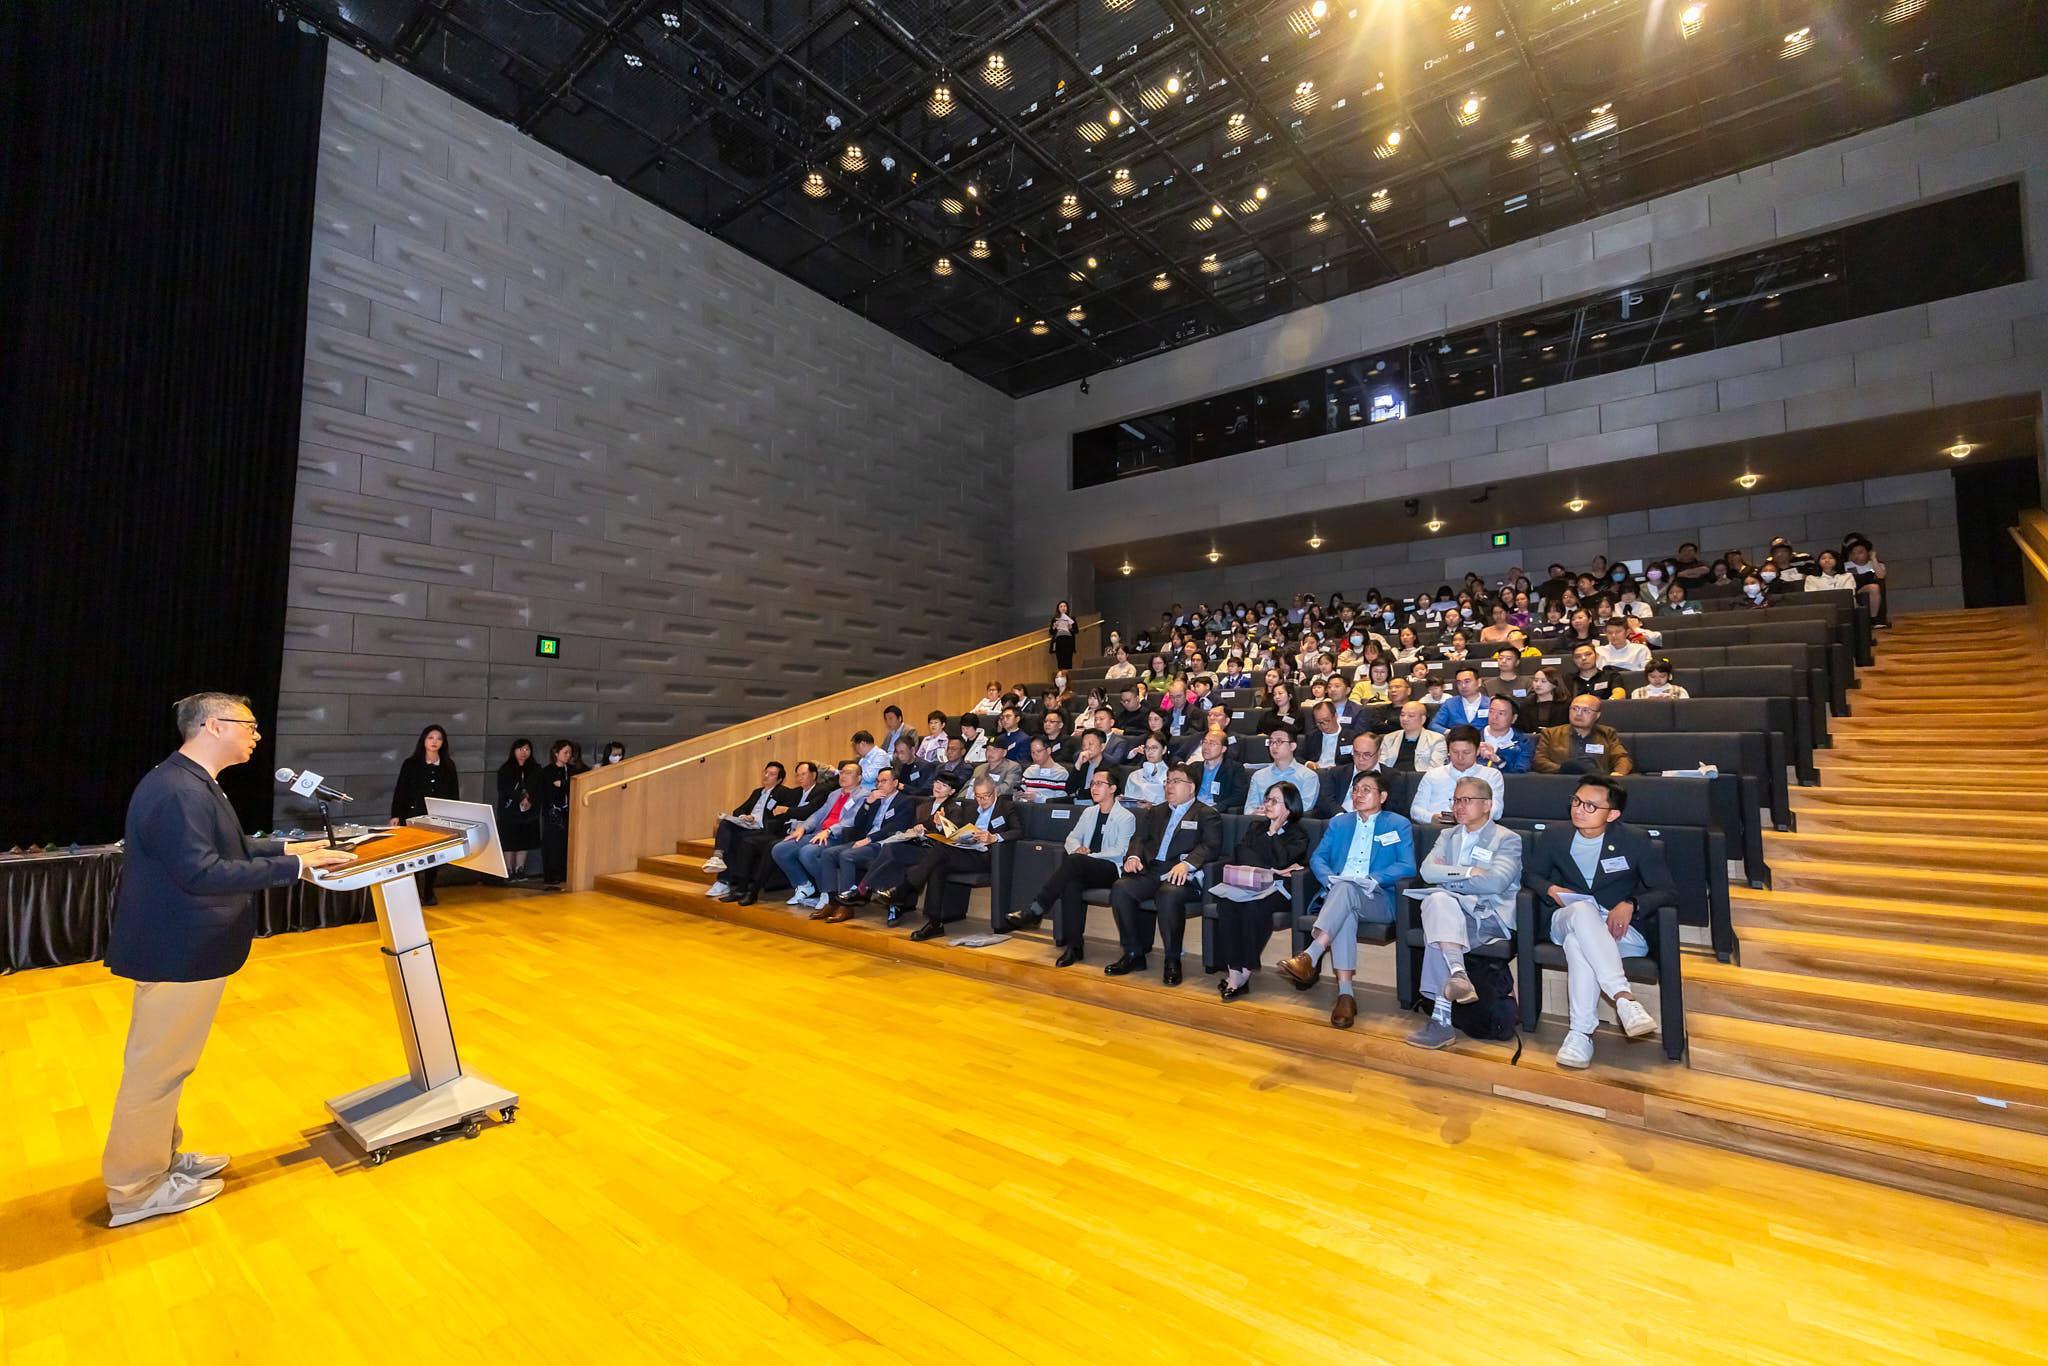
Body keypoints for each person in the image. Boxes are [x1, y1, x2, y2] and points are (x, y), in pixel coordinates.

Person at [102, 693, 354, 1227]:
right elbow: (202, 872)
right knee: (155, 1073)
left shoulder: (193, 781)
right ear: (213, 726)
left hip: (184, 948)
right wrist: (296, 870)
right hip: (177, 950)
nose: (257, 736)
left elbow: (229, 848)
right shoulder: (178, 790)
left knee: (169, 1068)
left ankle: (161, 1160)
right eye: (249, 725)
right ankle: (135, 1189)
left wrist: (293, 851)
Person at [1523, 775, 1675, 1067]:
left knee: (1577, 945)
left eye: (1590, 806)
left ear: (1613, 814)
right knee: (1582, 911)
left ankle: (1581, 1034)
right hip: (1567, 916)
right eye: (1576, 801)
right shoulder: (1555, 834)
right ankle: (1623, 996)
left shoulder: (1634, 840)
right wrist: (1551, 889)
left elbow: (1667, 890)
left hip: (1619, 929)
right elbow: (1531, 875)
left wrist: (1631, 904)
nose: (1579, 809)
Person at [1274, 770, 1417, 1027]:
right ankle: (1345, 996)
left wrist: (1374, 878)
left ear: (1383, 796)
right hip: (1339, 894)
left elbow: (1407, 866)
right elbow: (1318, 858)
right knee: (1345, 904)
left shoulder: (1397, 824)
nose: (1358, 794)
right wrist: (1330, 879)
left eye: (1366, 790)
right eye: (1355, 789)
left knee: (1346, 890)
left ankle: (1312, 953)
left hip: (1378, 897)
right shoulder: (1339, 824)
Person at [1406, 776, 1524, 1050]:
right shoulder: (1447, 836)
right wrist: (1469, 872)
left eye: (1467, 800)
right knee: (1438, 902)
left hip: (1487, 915)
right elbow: (1427, 872)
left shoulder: (1507, 839)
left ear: (1487, 805)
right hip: (1451, 913)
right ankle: (1458, 974)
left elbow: (1495, 882)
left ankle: (1441, 1019)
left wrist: (1449, 880)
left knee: (1438, 912)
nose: (1458, 806)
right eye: (1456, 800)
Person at [1105, 765, 1223, 985]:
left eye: (1176, 781)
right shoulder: (1156, 812)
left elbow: (1210, 846)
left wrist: (1187, 865)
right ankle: (1133, 953)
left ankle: (1172, 960)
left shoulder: (1206, 814)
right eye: (1168, 781)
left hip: (1182, 876)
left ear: (1191, 787)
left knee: (1169, 893)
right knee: (1121, 888)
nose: (1169, 786)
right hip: (1152, 871)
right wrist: (1134, 857)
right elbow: (1139, 839)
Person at [1004, 768, 1135, 965]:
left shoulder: (1126, 817)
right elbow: (1072, 838)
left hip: (1110, 869)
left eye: (1099, 784)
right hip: (1084, 866)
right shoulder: (1089, 812)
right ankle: (1074, 946)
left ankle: (1036, 909)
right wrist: (1077, 850)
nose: (1094, 788)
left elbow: (1120, 851)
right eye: (1092, 783)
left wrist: (1087, 855)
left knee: (1074, 862)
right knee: (1071, 883)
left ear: (1113, 788)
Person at [1211, 785, 1310, 1001]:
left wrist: (1274, 832)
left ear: (1289, 807)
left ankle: (1244, 972)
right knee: (1226, 904)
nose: (1268, 804)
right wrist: (1272, 869)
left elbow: (1284, 859)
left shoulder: (1298, 834)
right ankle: (1234, 972)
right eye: (1267, 799)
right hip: (1250, 885)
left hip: (1279, 890)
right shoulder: (1256, 826)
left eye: (1275, 801)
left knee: (1254, 907)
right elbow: (1242, 854)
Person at [895, 776, 1015, 941]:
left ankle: (906, 887)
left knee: (940, 850)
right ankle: (935, 923)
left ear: (995, 792)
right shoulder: (972, 808)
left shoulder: (1006, 807)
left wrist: (995, 837)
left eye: (986, 796)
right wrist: (941, 824)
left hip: (987, 857)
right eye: (978, 796)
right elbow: (958, 831)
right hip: (966, 852)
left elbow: (1018, 831)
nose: (982, 801)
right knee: (937, 866)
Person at [717, 761, 828, 904]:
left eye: (803, 774)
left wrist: (787, 810)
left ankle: (753, 891)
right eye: (797, 775)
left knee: (771, 846)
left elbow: (807, 812)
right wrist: (781, 813)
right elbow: (779, 813)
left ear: (814, 775)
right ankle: (740, 888)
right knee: (748, 842)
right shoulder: (796, 792)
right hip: (784, 831)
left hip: (805, 833)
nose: (800, 778)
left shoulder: (821, 791)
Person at [814, 768, 918, 919]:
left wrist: (869, 839)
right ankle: (832, 901)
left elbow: (896, 827)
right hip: (865, 840)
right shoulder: (875, 799)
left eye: (884, 781)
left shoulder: (905, 801)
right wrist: (868, 803)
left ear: (895, 783)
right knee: (828, 854)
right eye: (878, 781)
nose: (879, 785)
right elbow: (858, 823)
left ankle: (846, 906)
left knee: (847, 855)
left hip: (882, 844)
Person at [767, 760, 864, 909]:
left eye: (848, 773)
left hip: (838, 836)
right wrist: (803, 828)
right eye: (842, 772)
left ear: (859, 778)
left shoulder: (863, 795)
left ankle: (827, 891)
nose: (843, 776)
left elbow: (852, 821)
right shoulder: (834, 794)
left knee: (808, 852)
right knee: (780, 849)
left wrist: (829, 831)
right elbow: (818, 814)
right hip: (819, 833)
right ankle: (804, 885)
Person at [391, 724, 461, 905]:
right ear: (423, 740)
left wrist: (454, 817)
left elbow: (454, 794)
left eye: (439, 739)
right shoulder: (411, 764)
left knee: (434, 855)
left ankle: (429, 892)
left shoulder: (448, 765)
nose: (434, 742)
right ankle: (412, 891)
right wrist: (396, 814)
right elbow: (401, 791)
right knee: (412, 854)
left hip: (438, 818)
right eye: (431, 738)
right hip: (413, 815)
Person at [702, 762, 790, 893]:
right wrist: (744, 816)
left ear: (779, 780)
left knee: (734, 838)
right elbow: (738, 810)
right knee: (725, 824)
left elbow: (782, 817)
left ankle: (724, 881)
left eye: (772, 774)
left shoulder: (783, 793)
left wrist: (758, 821)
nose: (766, 776)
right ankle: (717, 857)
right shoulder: (757, 792)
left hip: (763, 829)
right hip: (748, 825)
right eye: (765, 772)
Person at [1409, 725, 1505, 825]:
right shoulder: (1433, 775)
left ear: (1477, 751)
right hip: (1437, 827)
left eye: (1466, 752)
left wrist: (1469, 817)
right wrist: (1432, 818)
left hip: (1475, 828)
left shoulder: (1491, 775)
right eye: (1455, 752)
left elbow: (1496, 811)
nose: (1460, 757)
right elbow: (1415, 810)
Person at [1534, 694, 1635, 776]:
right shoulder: (1551, 733)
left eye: (1586, 710)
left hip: (1597, 785)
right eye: (1575, 708)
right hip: (1562, 782)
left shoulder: (1607, 733)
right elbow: (1539, 761)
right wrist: (1562, 769)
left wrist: (1619, 773)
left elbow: (1622, 757)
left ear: (1597, 715)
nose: (1578, 714)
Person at [539, 739, 586, 890]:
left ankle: (565, 873)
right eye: (565, 752)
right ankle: (552, 875)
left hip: (569, 812)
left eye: (570, 753)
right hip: (553, 813)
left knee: (567, 844)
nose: (568, 755)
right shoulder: (547, 771)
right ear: (556, 753)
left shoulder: (572, 770)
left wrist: (564, 784)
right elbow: (547, 792)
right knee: (552, 844)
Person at [1244, 726, 1321, 813]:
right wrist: (1255, 813)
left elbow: (1304, 808)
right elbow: (1249, 808)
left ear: (1292, 746)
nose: (1273, 746)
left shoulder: (1308, 776)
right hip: (1261, 820)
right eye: (1271, 742)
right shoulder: (1258, 776)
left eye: (1279, 741)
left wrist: (1272, 813)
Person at [495, 739, 542, 880]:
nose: (524, 752)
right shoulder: (506, 769)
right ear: (514, 751)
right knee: (509, 841)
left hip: (528, 812)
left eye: (527, 749)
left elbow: (538, 788)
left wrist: (529, 799)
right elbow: (503, 789)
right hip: (509, 812)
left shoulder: (535, 768)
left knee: (524, 840)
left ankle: (519, 869)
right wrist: (520, 797)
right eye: (520, 749)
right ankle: (508, 870)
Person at [1186, 729, 1250, 813]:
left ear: (1223, 749)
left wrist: (1219, 807)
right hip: (1192, 809)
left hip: (1216, 811)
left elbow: (1240, 795)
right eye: (1204, 742)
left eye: (1212, 743)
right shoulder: (1194, 767)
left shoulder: (1234, 768)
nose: (1206, 747)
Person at [1375, 701, 1447, 773]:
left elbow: (1436, 769)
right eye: (1402, 715)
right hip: (1391, 777)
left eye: (1411, 716)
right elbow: (1381, 765)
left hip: (1421, 778)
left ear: (1423, 719)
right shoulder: (1389, 738)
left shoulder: (1436, 739)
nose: (1405, 719)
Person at [1476, 696, 1533, 774]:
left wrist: (1498, 761)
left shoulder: (1523, 743)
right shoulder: (1472, 738)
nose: (1494, 717)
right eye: (1491, 711)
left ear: (1514, 718)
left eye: (1501, 713)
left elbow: (1520, 773)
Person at [1428, 666, 1492, 733]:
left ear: (1479, 682)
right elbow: (1433, 725)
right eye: (1459, 683)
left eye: (1467, 681)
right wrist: (1450, 732)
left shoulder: (1490, 703)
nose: (1463, 686)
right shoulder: (1450, 703)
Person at [1844, 536, 1887, 620]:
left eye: (1860, 553)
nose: (1856, 556)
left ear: (1868, 553)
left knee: (1875, 587)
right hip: (1853, 591)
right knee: (1873, 588)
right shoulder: (1845, 566)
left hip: (1871, 590)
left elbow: (1881, 576)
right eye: (1853, 553)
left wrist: (1873, 558)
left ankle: (1874, 619)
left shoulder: (1876, 564)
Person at [1018, 736, 1070, 803]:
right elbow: (1023, 795)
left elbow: (1060, 801)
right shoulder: (1029, 771)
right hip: (1027, 807)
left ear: (1048, 750)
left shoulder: (1060, 773)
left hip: (1048, 808)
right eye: (1032, 752)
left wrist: (1037, 798)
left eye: (1038, 751)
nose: (1035, 755)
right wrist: (1018, 797)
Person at [1122, 734, 1171, 804]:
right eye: (1147, 748)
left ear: (1164, 750)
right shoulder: (1134, 775)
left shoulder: (1170, 776)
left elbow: (1170, 803)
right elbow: (1127, 802)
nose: (1150, 752)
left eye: (1154, 748)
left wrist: (1152, 806)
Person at [1049, 600, 1078, 671]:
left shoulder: (1071, 618)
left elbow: (1076, 630)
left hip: (1069, 642)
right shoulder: (1055, 619)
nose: (1063, 608)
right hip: (1059, 642)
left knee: (1068, 662)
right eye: (1061, 606)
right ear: (1058, 609)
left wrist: (1071, 628)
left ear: (1067, 608)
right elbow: (1051, 632)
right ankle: (1061, 676)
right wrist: (1053, 627)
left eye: (1065, 606)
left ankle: (1068, 676)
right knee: (1060, 662)